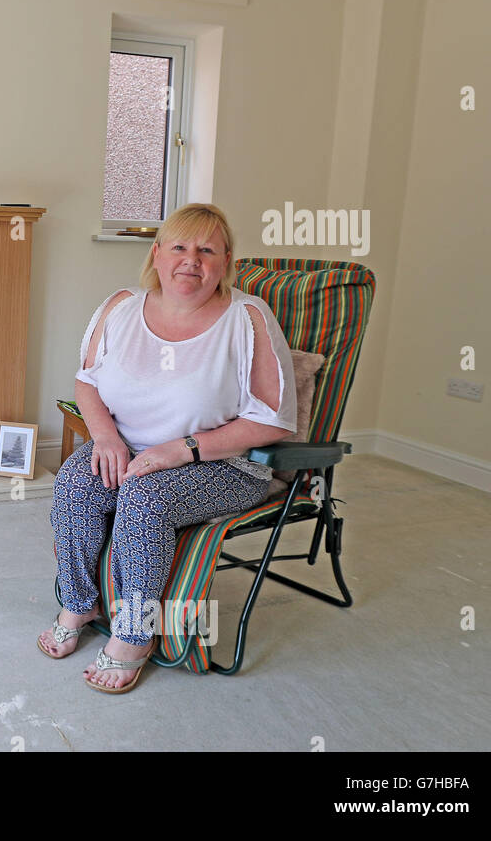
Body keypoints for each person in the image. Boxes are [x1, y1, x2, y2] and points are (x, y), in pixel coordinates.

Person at [38, 203, 297, 693]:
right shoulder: (119, 307)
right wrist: (106, 437)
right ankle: (78, 603)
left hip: (223, 465)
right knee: (75, 481)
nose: (191, 260)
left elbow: (274, 419)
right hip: (128, 448)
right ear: (156, 255)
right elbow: (87, 382)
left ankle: (135, 635)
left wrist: (182, 450)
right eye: (179, 247)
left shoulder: (247, 318)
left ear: (225, 261)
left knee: (145, 498)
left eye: (207, 250)